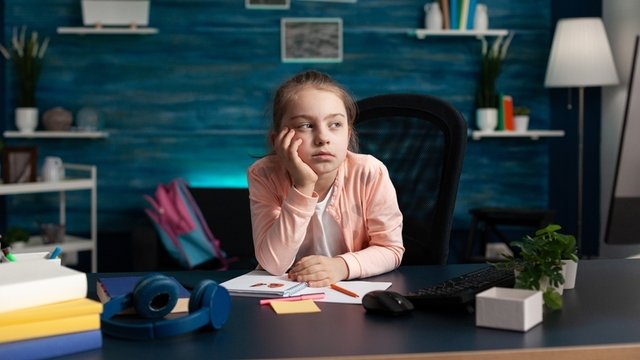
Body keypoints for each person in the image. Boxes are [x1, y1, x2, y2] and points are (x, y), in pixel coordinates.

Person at [247, 70, 404, 287]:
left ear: (348, 134)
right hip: (288, 295)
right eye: (306, 126)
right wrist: (303, 186)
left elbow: (391, 249)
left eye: (335, 125)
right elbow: (274, 264)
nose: (323, 138)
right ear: (278, 140)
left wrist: (341, 266)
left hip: (351, 294)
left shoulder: (370, 172)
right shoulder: (263, 174)